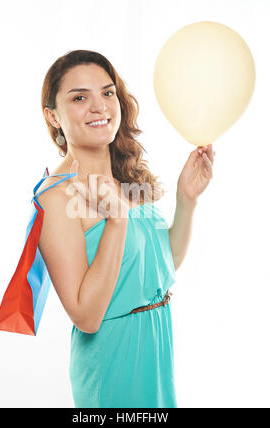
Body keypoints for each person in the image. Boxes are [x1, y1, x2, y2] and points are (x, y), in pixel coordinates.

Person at [36, 49, 215, 408]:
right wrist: (116, 220)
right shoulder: (56, 197)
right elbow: (86, 316)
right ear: (52, 116)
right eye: (79, 97)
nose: (100, 106)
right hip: (114, 360)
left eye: (107, 92)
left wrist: (187, 199)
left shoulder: (125, 177)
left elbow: (160, 267)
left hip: (156, 347)